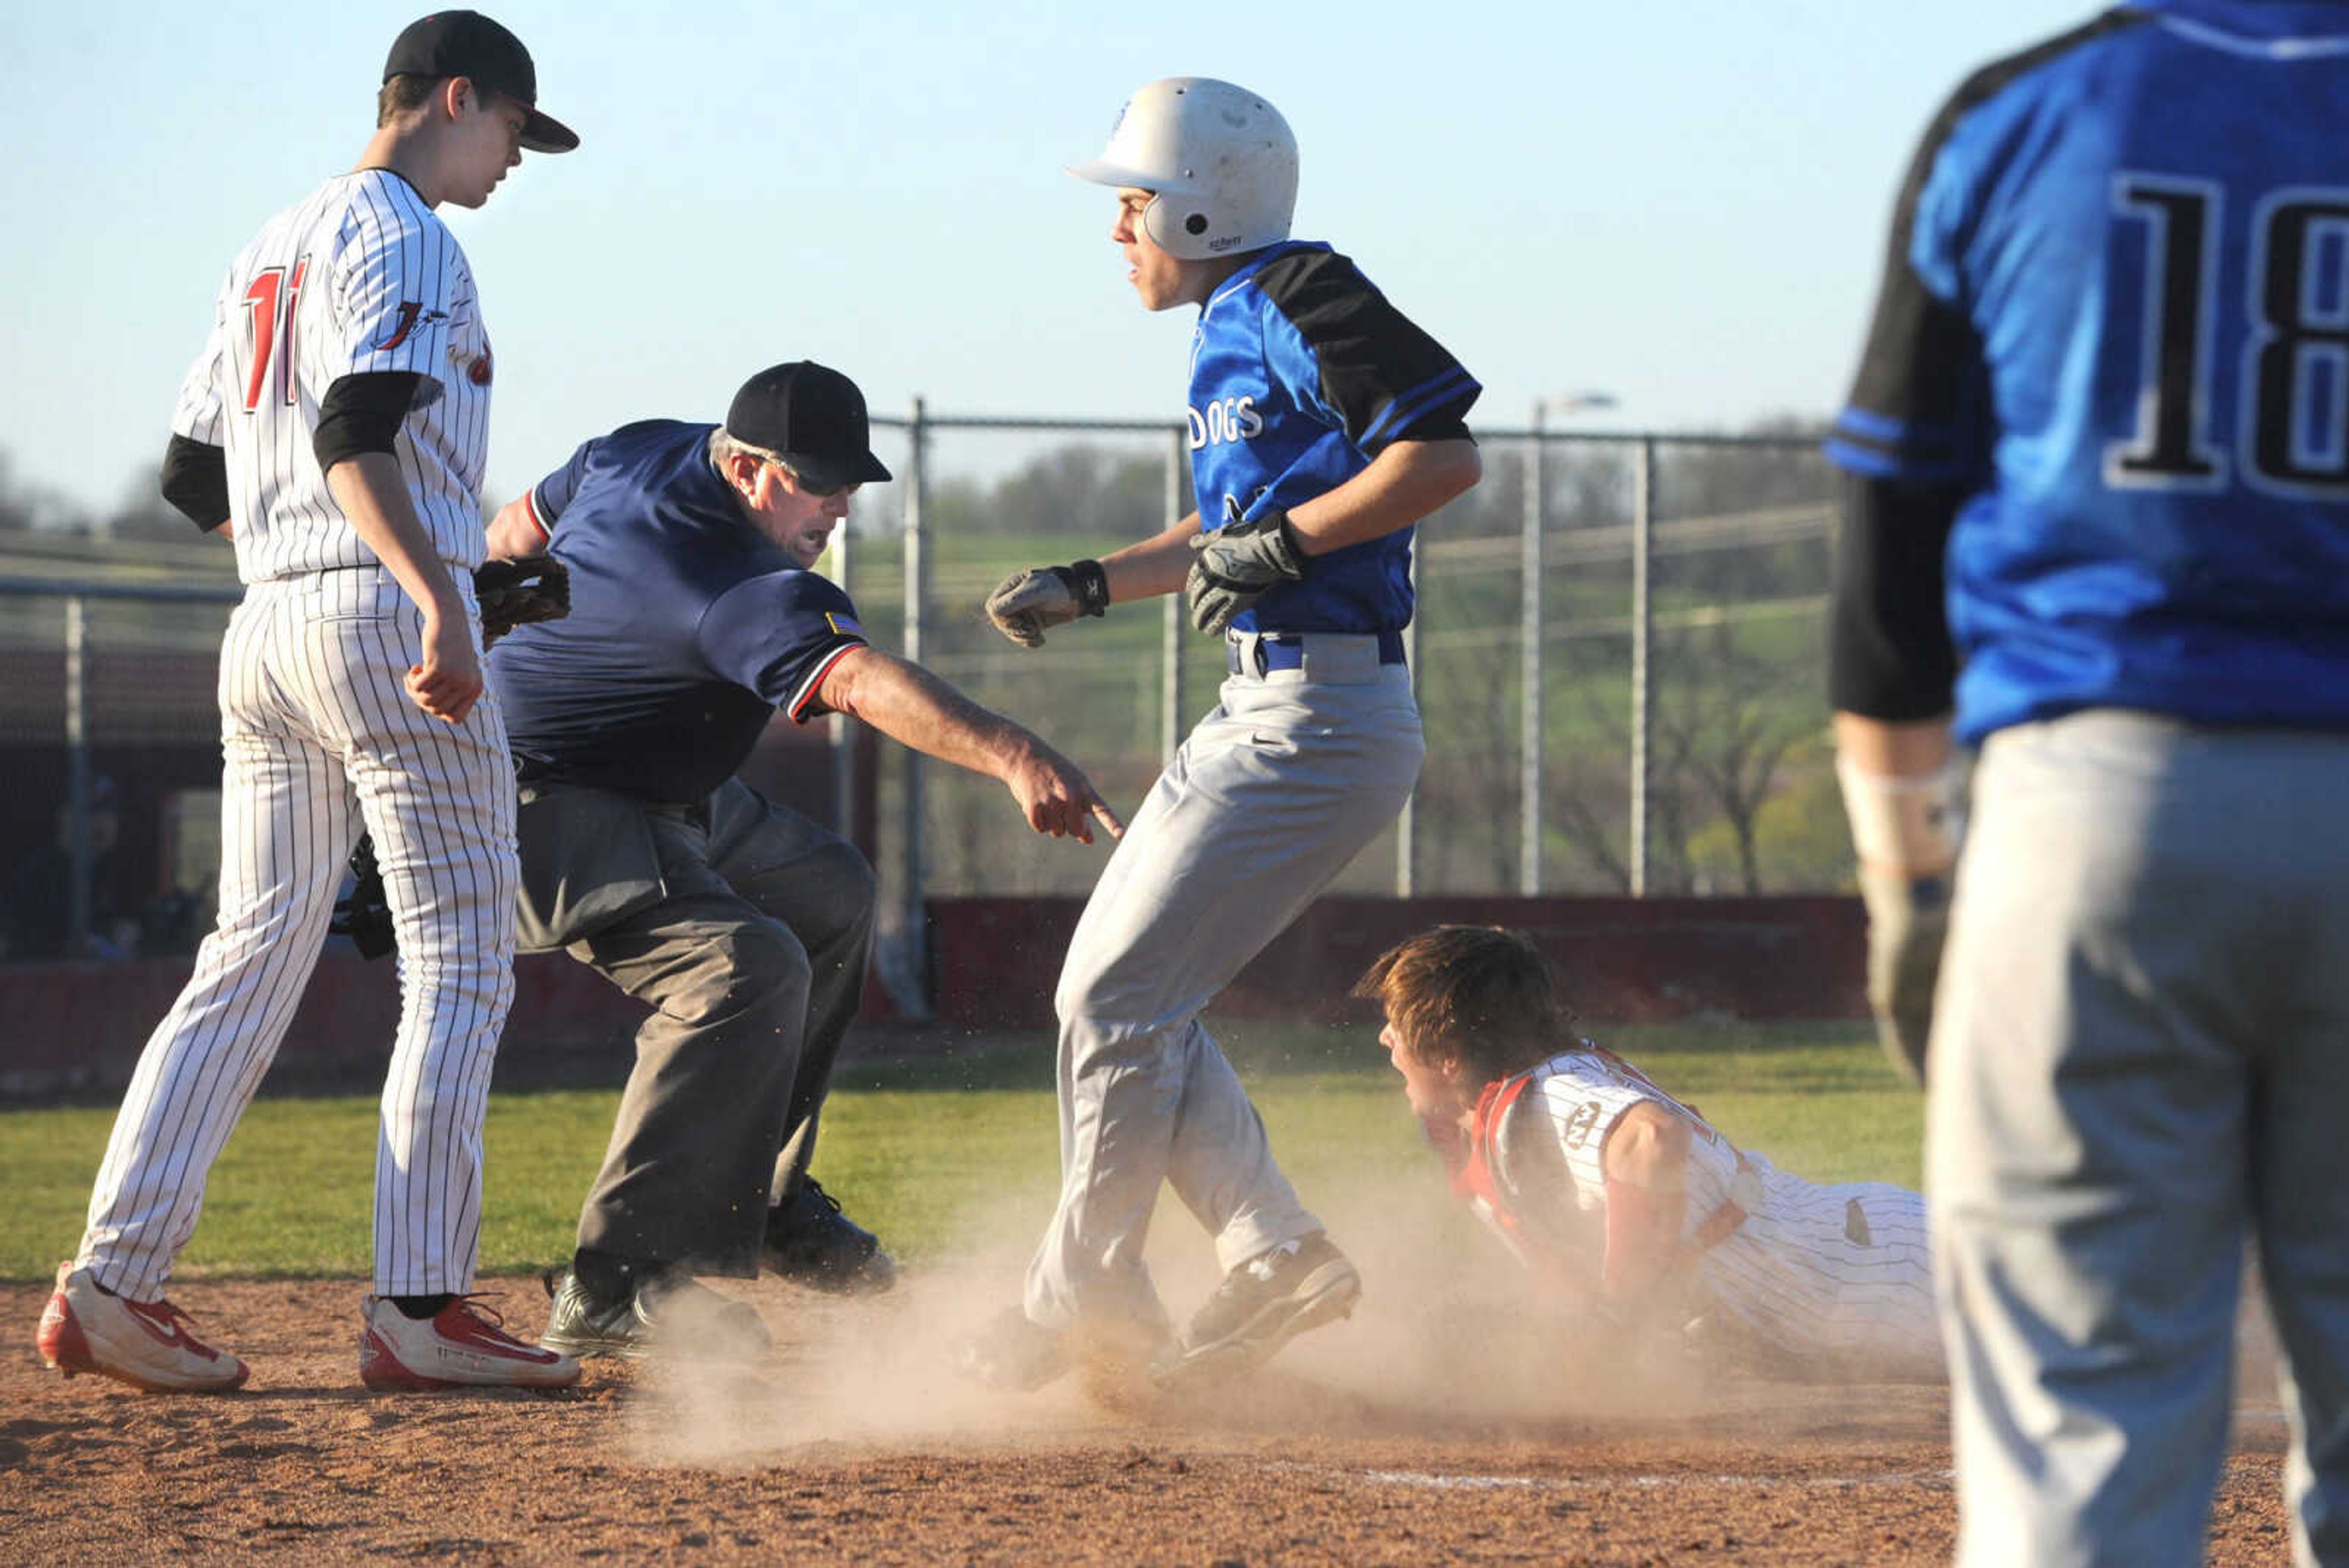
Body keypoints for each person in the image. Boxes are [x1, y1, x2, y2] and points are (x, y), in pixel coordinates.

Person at [1826, 5, 2349, 1561]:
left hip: (2092, 807)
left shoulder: (2022, 107)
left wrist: (1910, 881)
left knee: (2081, 1443)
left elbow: (1884, 553)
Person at [34, 12, 581, 1394]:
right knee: (459, 957)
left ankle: (113, 1280)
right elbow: (357, 427)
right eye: (515, 126)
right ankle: (420, 1312)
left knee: (249, 958)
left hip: (267, 627)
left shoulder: (265, 244)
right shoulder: (406, 233)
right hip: (374, 618)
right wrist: (434, 593)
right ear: (455, 98)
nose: (518, 158)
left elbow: (190, 475)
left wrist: (322, 559)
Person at [965, 78, 1483, 1394]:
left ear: (1206, 203)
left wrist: (1288, 540)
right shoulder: (1233, 323)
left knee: (1115, 996)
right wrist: (1090, 582)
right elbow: (1233, 530)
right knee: (1130, 1000)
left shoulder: (1306, 290)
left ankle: (1085, 1292)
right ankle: (1274, 1250)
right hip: (1268, 701)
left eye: (1134, 201)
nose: (1120, 229)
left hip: (1325, 708)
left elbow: (1439, 454)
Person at [480, 361, 1123, 1360]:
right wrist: (1012, 751)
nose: (838, 504)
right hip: (548, 804)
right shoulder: (739, 583)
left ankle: (763, 1198)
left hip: (668, 787)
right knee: (741, 969)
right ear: (744, 469)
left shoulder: (639, 447)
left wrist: (531, 623)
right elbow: (861, 681)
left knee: (828, 892)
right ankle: (619, 1278)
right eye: (816, 481)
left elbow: (510, 537)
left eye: (849, 481)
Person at [1356, 926, 1940, 1384]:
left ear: (1450, 1054)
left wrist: (1618, 1314)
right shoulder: (1534, 1094)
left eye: (1395, 1024)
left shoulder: (1540, 1102)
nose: (1385, 1039)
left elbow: (1651, 1139)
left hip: (1902, 1270)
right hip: (1869, 1259)